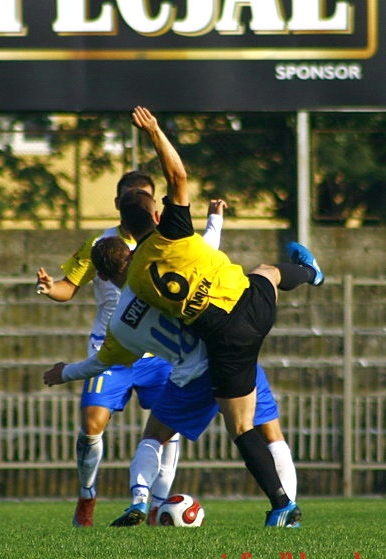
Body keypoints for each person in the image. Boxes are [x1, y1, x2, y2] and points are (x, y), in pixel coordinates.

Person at [116, 106, 325, 527]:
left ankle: (283, 506)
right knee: (268, 271)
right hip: (251, 301)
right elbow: (178, 177)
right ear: (157, 215)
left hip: (226, 340)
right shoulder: (173, 229)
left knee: (242, 427)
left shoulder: (136, 278)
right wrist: (156, 131)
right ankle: (312, 274)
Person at [43, 232, 298, 527]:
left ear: (101, 275)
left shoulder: (121, 323)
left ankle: (140, 500)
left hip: (190, 377)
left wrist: (63, 373)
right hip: (231, 353)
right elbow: (201, 251)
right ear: (131, 255)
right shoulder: (160, 278)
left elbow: (98, 363)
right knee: (269, 434)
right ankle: (288, 511)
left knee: (153, 436)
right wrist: (215, 220)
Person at [36, 171, 177, 527]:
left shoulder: (163, 241)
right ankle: (87, 496)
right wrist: (50, 287)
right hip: (110, 348)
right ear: (118, 204)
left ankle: (157, 505)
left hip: (156, 351)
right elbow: (69, 287)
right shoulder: (99, 245)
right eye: (130, 198)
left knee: (169, 426)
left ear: (154, 206)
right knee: (92, 423)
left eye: (143, 198)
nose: (136, 205)